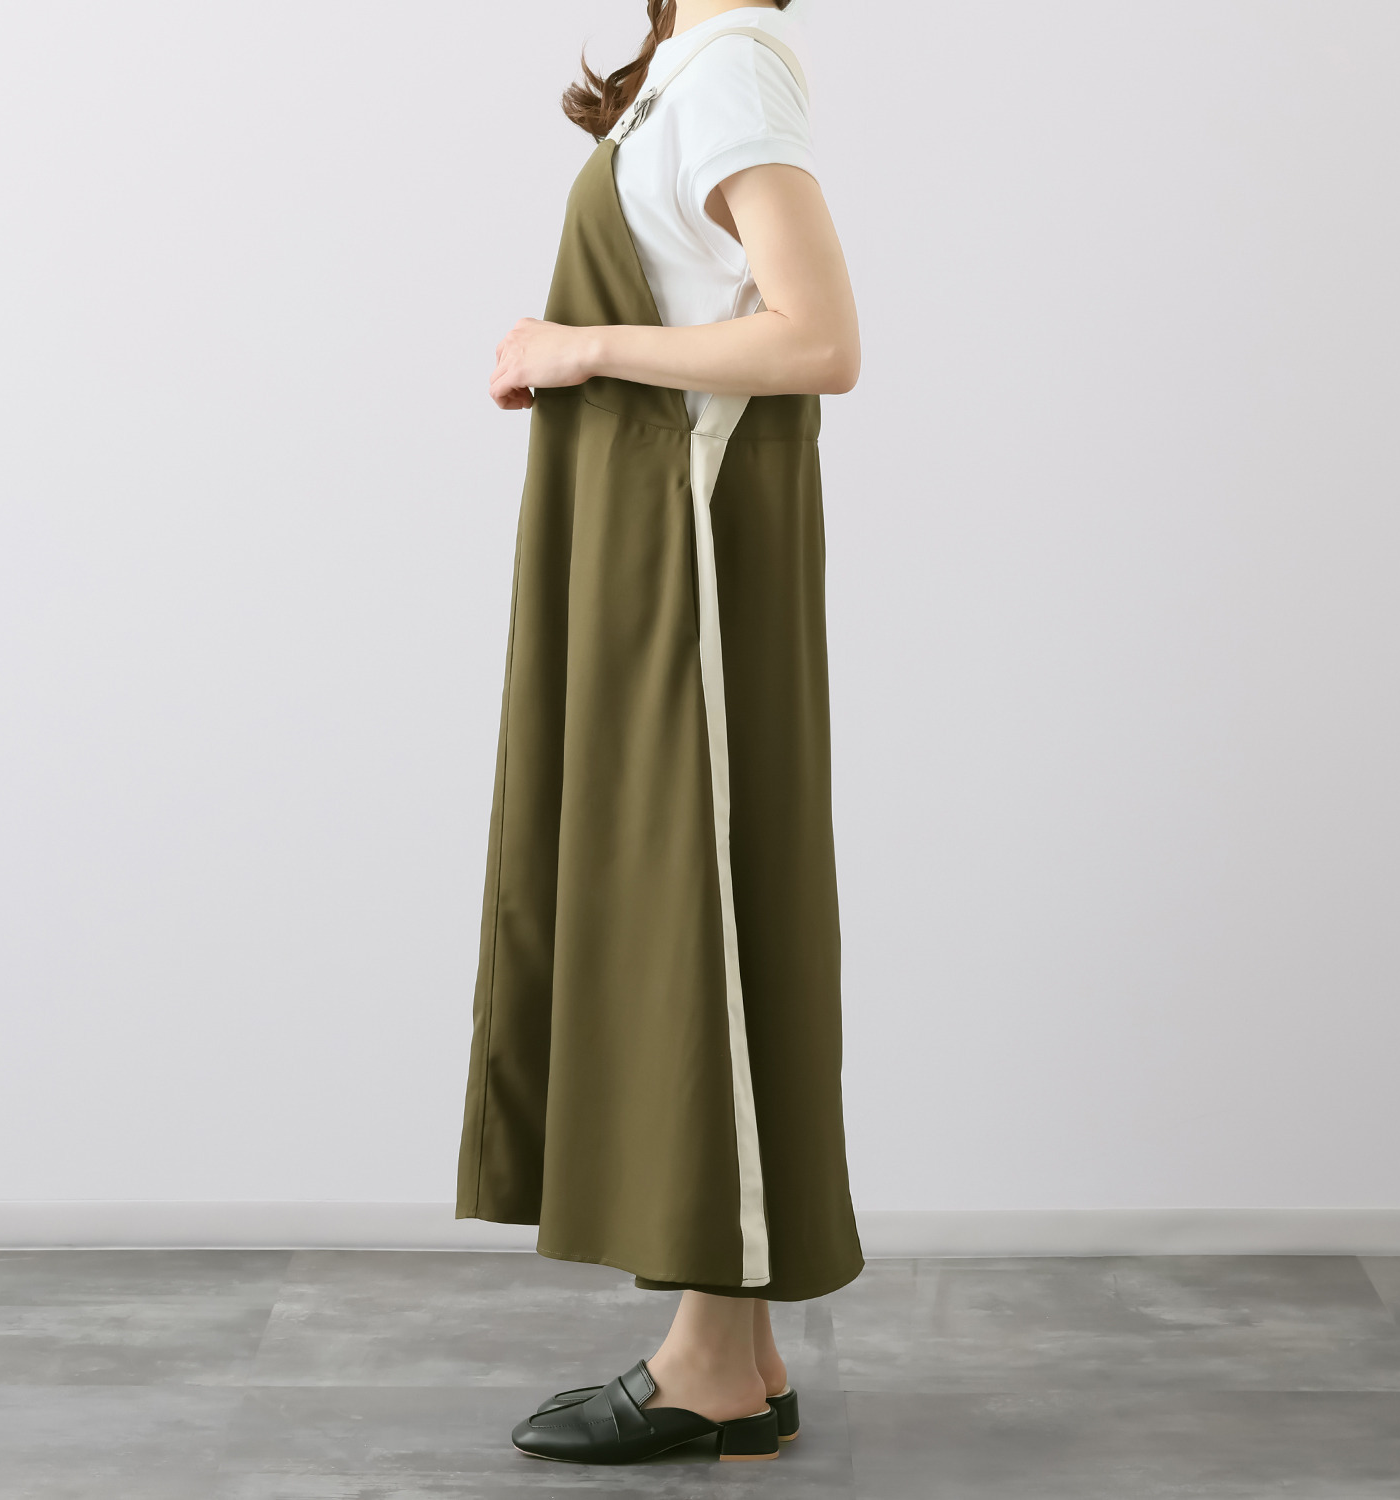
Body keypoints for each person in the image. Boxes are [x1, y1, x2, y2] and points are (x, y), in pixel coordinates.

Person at [457, 0, 864, 1465]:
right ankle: (735, 1355)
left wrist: (582, 347)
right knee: (684, 905)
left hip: (688, 548)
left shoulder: (733, 69)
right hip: (642, 536)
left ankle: (708, 1362)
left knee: (701, 911)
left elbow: (819, 337)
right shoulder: (688, 73)